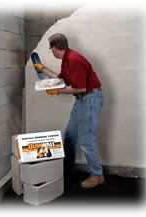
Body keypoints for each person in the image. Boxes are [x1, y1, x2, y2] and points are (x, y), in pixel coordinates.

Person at [33, 33, 104, 189]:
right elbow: (61, 80)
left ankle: (97, 175)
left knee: (86, 139)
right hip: (81, 100)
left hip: (90, 99)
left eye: (51, 49)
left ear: (56, 48)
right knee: (70, 136)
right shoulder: (66, 59)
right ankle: (68, 167)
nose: (51, 51)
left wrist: (56, 91)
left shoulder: (74, 60)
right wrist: (42, 69)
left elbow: (80, 87)